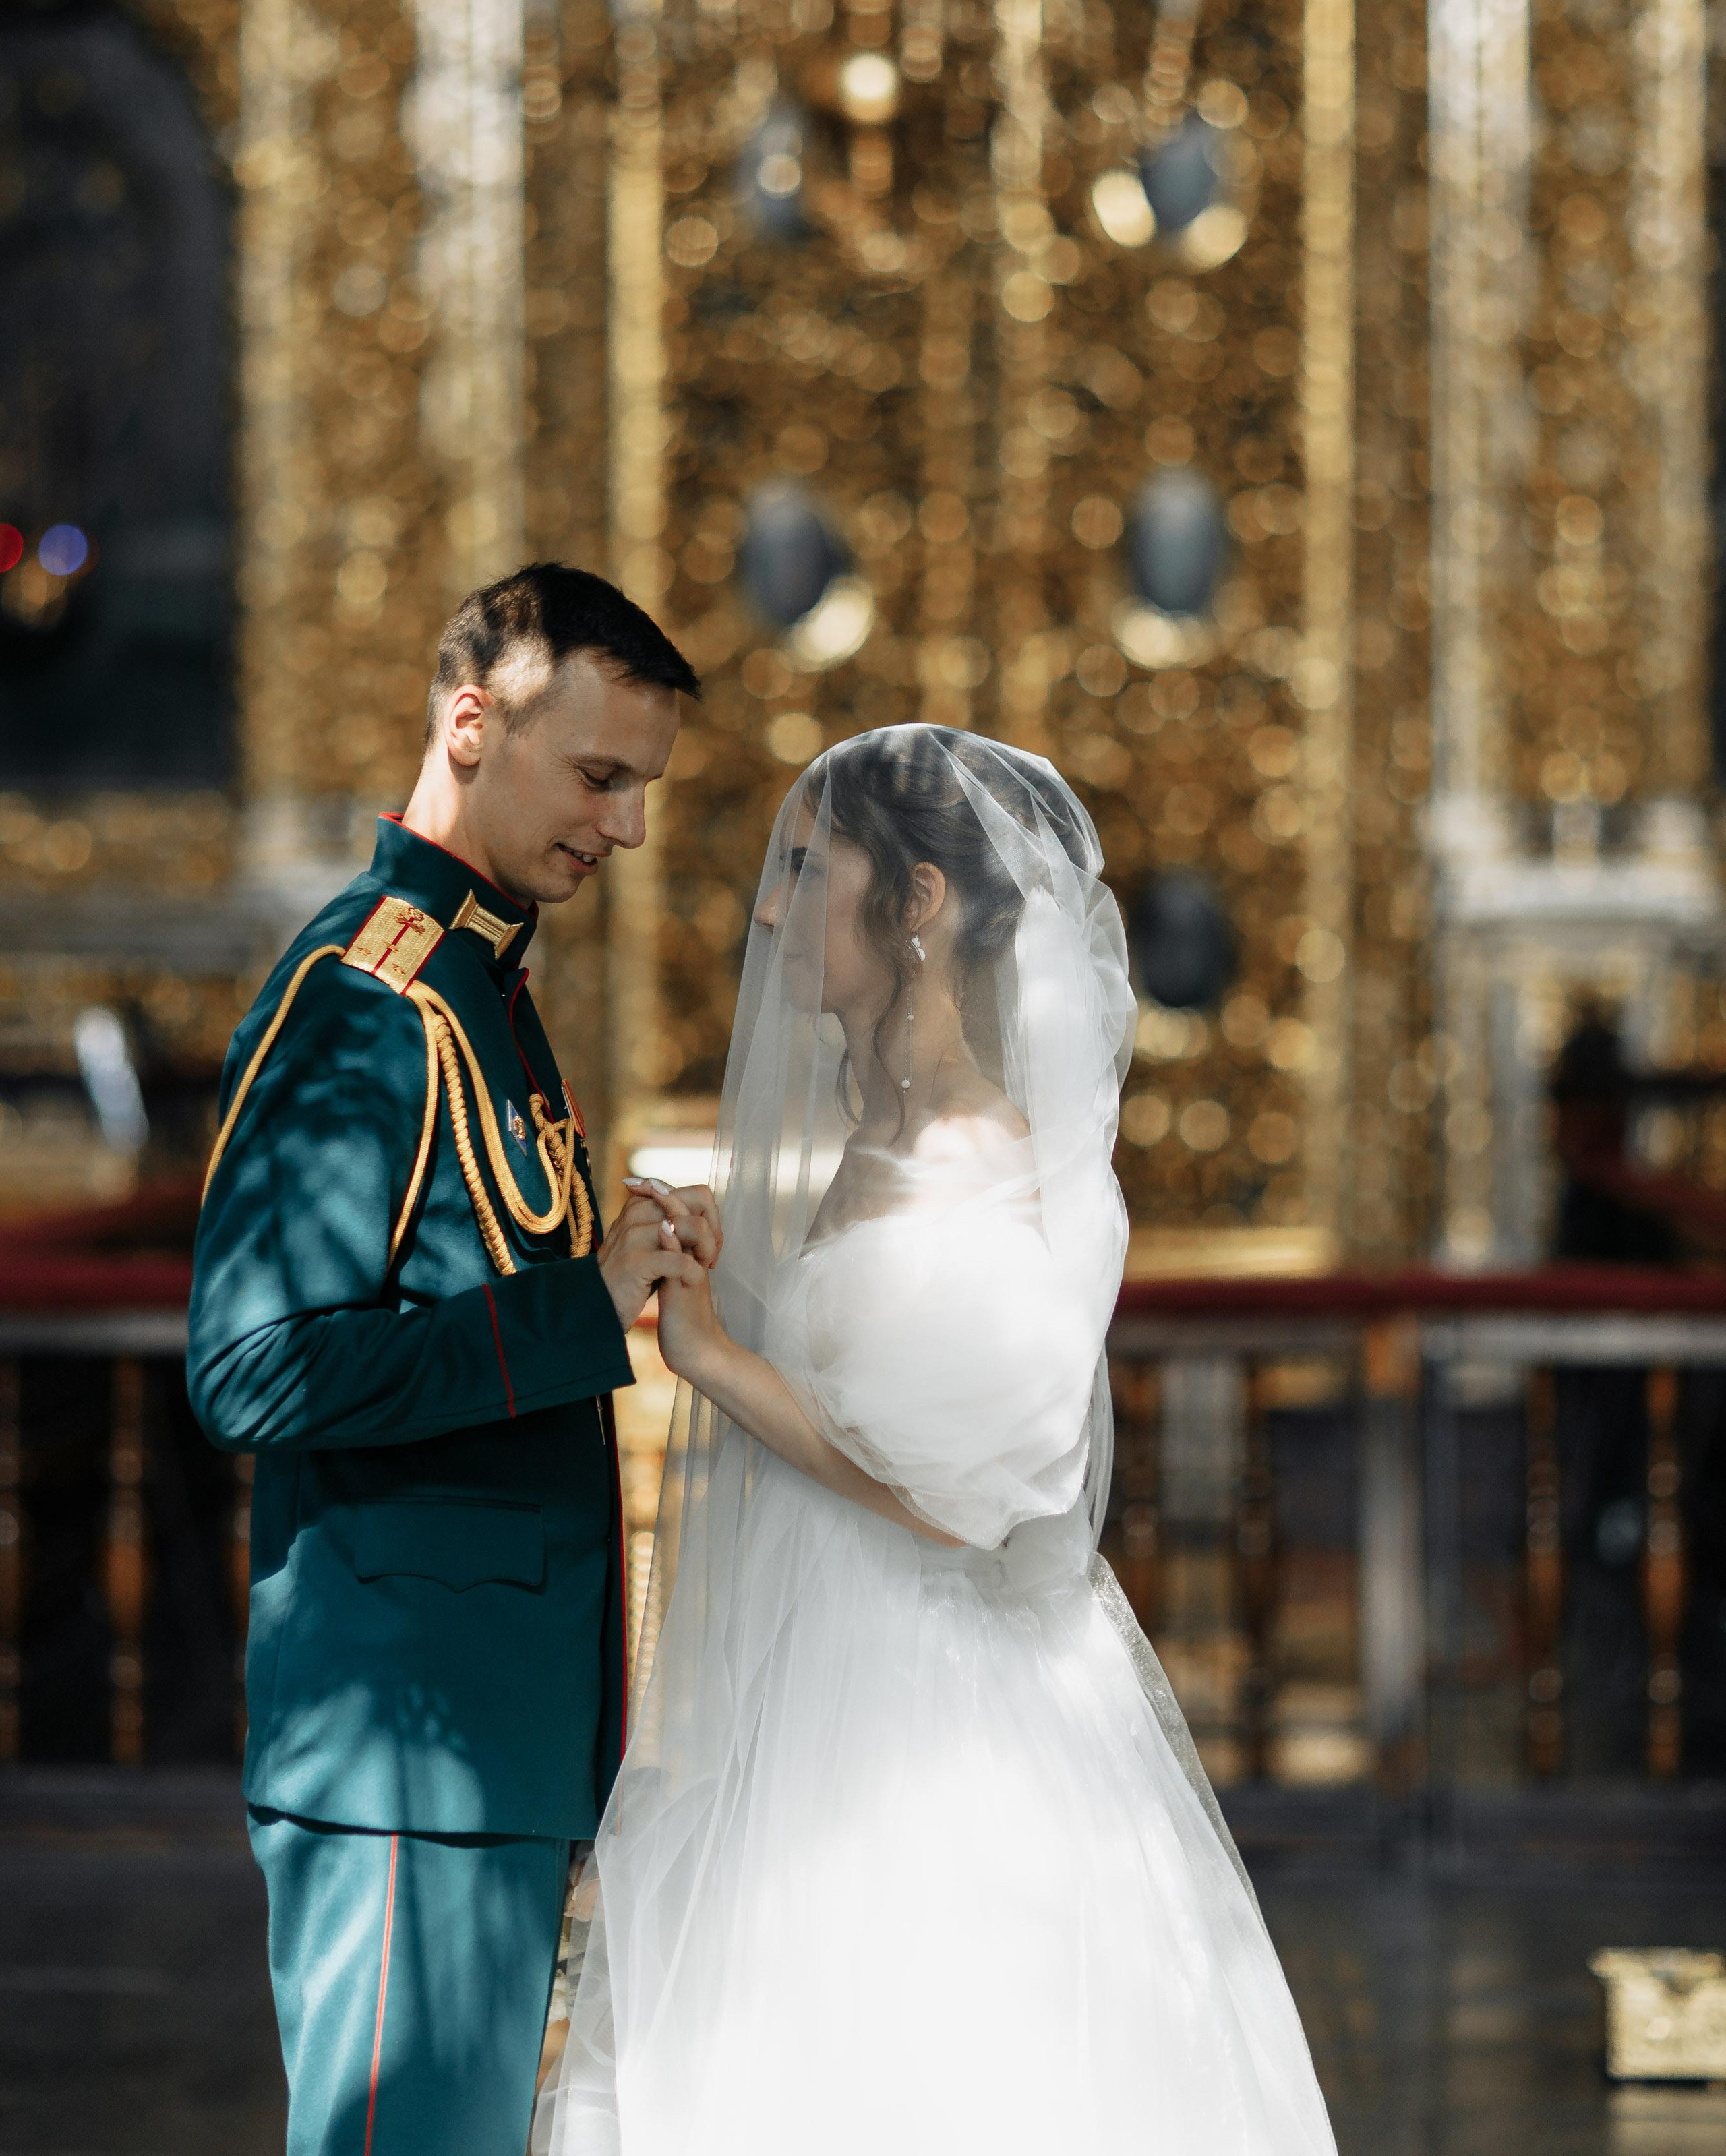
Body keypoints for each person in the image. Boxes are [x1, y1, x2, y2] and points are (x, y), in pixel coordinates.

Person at [538, 725, 1338, 2156]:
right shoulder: (877, 1132)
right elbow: (879, 1388)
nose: (770, 909)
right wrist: (744, 1308)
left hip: (922, 1688)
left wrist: (713, 1361)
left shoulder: (972, 1148)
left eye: (805, 869)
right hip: (820, 1656)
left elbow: (967, 1498)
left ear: (914, 903)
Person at [188, 563, 721, 2156]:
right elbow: (253, 1368)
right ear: (474, 724)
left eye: (640, 790)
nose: (623, 828)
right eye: (601, 777)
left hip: (492, 1736)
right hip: (406, 1739)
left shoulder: (478, 983)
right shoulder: (372, 998)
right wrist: (578, 1307)